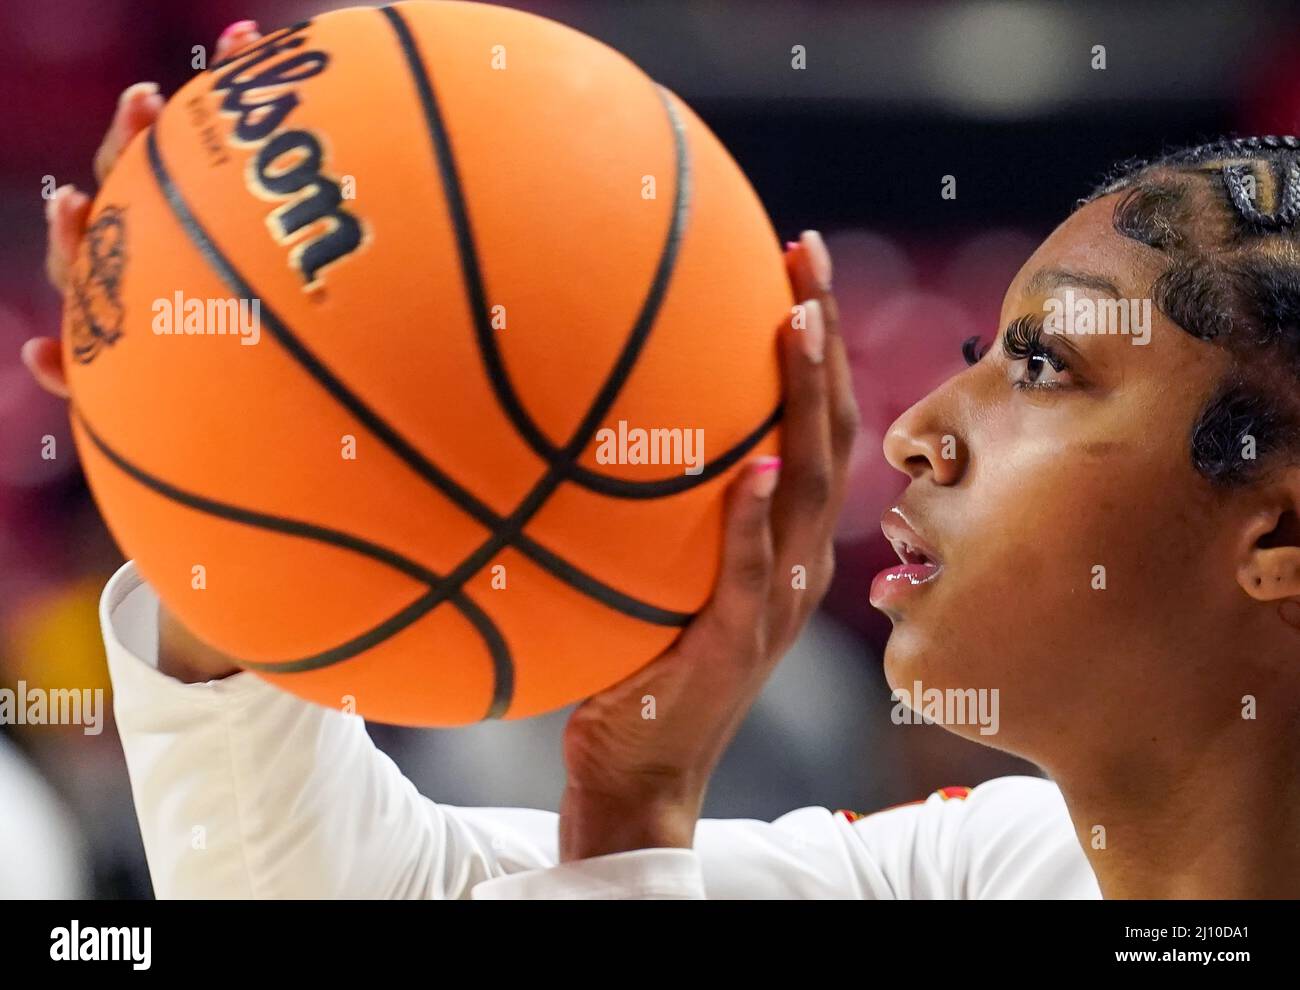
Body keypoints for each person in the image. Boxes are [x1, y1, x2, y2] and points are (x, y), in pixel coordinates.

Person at [27, 22, 1300, 899]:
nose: (915, 428)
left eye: (1040, 367)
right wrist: (220, 463)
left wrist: (641, 820)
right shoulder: (1003, 865)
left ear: (1279, 535)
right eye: (979, 345)